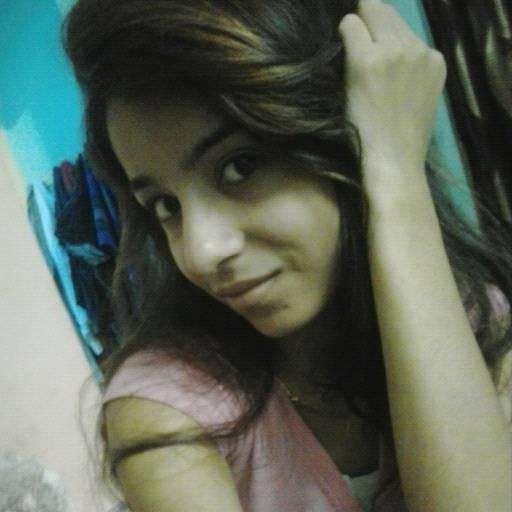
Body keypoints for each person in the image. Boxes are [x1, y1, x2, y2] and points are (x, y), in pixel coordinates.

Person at [63, 0, 512, 510]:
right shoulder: (168, 410)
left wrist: (393, 174)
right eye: (166, 206)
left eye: (241, 166)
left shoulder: (475, 319)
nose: (201, 251)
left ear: (343, 138)